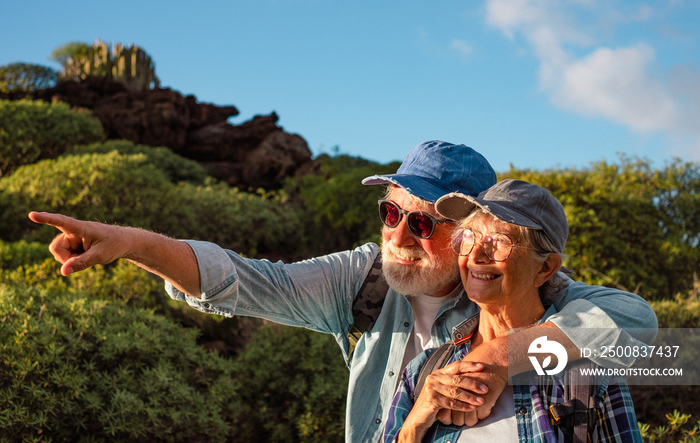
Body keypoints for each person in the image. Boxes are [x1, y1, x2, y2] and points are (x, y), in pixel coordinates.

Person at [28, 140, 656, 443]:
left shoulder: (515, 296)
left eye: (423, 223)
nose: (399, 237)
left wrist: (496, 359)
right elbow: (244, 281)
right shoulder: (362, 282)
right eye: (391, 214)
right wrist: (132, 243)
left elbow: (638, 325)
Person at [383, 179, 642, 442]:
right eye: (468, 238)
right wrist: (411, 430)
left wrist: (498, 358)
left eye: (499, 242)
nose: (476, 256)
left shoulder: (587, 377)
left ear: (545, 269)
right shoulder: (423, 371)